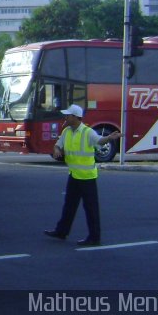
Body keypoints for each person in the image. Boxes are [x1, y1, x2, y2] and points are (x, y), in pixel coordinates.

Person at [44, 104, 122, 246]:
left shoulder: (88, 132)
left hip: (87, 177)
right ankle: (62, 231)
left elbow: (100, 141)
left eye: (68, 115)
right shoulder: (67, 131)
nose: (65, 117)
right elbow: (58, 144)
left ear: (75, 117)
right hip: (74, 175)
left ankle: (94, 237)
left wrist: (110, 137)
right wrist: (56, 150)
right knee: (69, 205)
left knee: (91, 208)